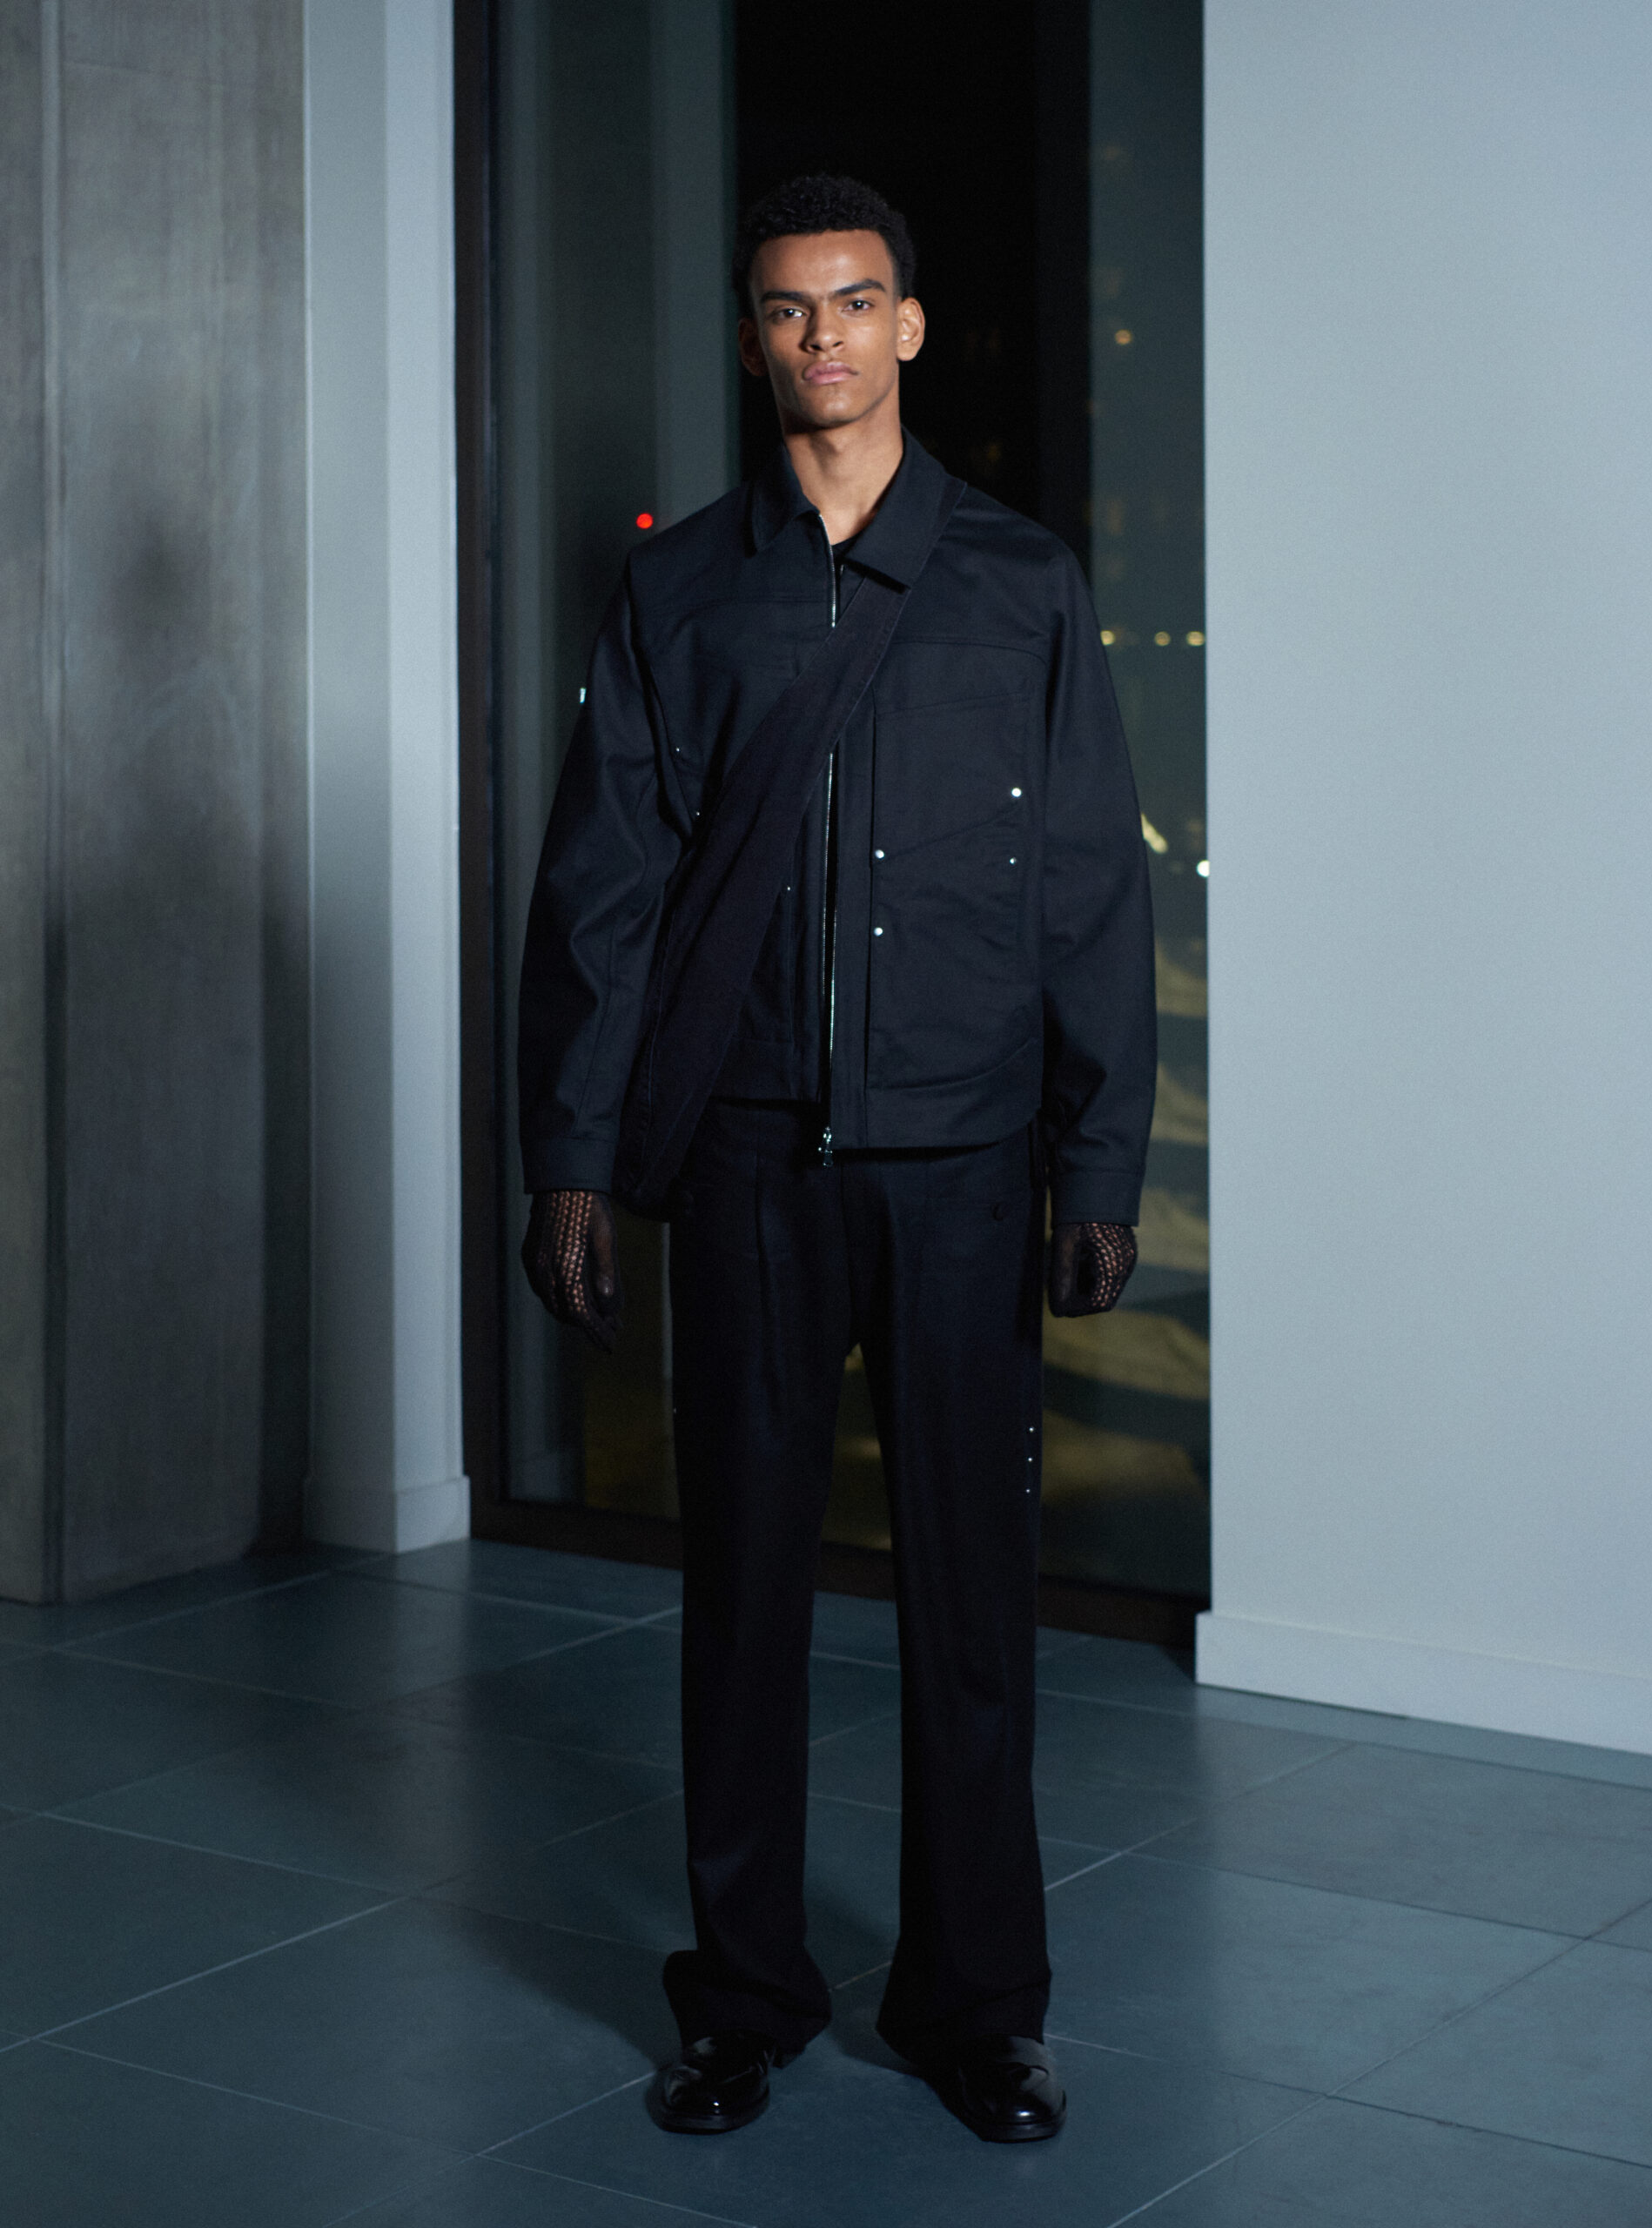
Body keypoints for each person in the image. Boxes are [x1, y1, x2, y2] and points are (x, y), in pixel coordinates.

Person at [518, 173, 1155, 2143]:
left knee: (974, 1604)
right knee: (742, 1593)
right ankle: (744, 1997)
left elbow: (1086, 886)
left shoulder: (1022, 581)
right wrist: (572, 1155)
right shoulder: (682, 590)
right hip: (745, 1160)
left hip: (962, 1162)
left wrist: (1097, 1161)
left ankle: (980, 2008)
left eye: (855, 302)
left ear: (908, 328)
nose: (824, 337)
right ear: (753, 341)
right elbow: (604, 889)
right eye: (790, 309)